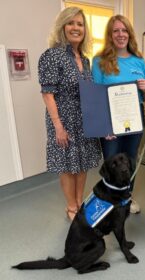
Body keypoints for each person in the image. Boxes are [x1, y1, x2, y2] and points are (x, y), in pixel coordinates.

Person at [38, 7, 101, 221]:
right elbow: (48, 94)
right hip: (63, 120)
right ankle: (72, 207)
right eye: (71, 23)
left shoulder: (85, 60)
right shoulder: (52, 55)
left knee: (81, 163)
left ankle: (80, 201)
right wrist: (58, 127)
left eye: (80, 24)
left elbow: (90, 93)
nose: (76, 28)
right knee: (67, 165)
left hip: (84, 121)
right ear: (62, 27)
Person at [92, 15, 145, 213]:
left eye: (124, 30)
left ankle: (127, 199)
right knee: (112, 162)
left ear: (129, 34)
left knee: (130, 160)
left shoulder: (139, 61)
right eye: (116, 30)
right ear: (110, 35)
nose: (120, 34)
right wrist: (103, 126)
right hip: (110, 122)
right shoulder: (99, 61)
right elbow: (96, 96)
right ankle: (110, 202)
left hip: (135, 119)